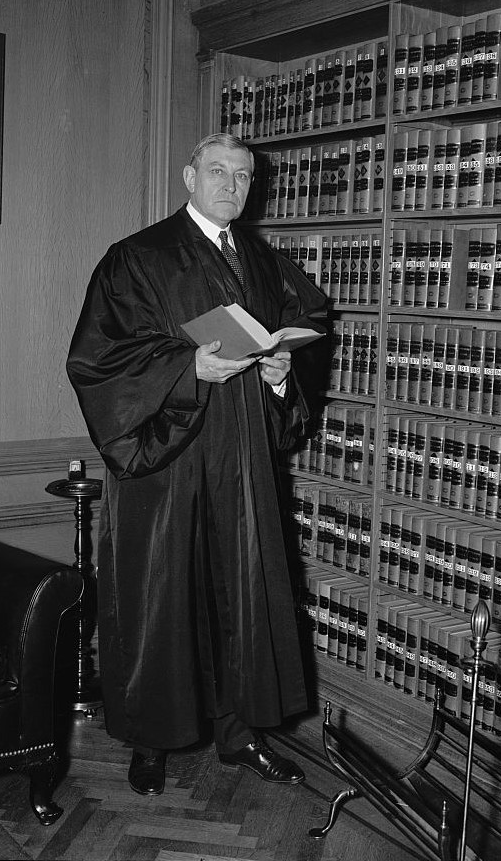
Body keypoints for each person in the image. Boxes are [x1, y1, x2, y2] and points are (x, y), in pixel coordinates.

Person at [67, 132, 327, 796]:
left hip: (241, 458)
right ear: (189, 176)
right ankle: (150, 741)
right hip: (166, 459)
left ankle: (239, 733)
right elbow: (99, 360)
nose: (230, 185)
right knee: (161, 601)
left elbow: (305, 331)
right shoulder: (137, 257)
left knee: (242, 594)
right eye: (217, 171)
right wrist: (188, 369)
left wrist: (277, 374)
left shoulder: (265, 263)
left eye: (242, 176)